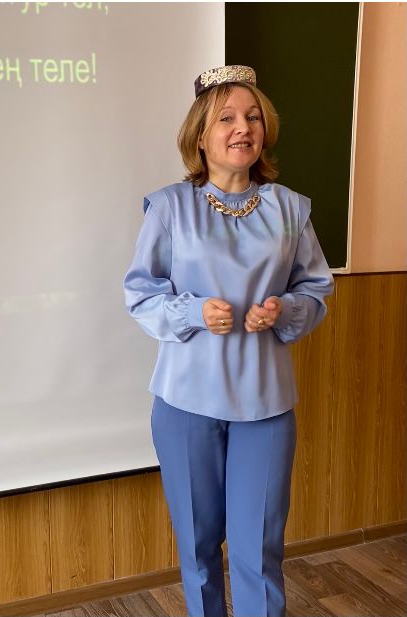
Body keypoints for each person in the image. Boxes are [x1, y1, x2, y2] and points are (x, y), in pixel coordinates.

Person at [123, 65, 334, 617]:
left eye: (253, 117)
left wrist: (285, 309)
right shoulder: (169, 208)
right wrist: (193, 311)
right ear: (200, 134)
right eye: (227, 118)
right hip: (185, 403)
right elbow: (140, 294)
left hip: (265, 404)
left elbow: (314, 288)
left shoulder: (289, 209)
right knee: (197, 551)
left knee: (258, 551)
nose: (243, 128)